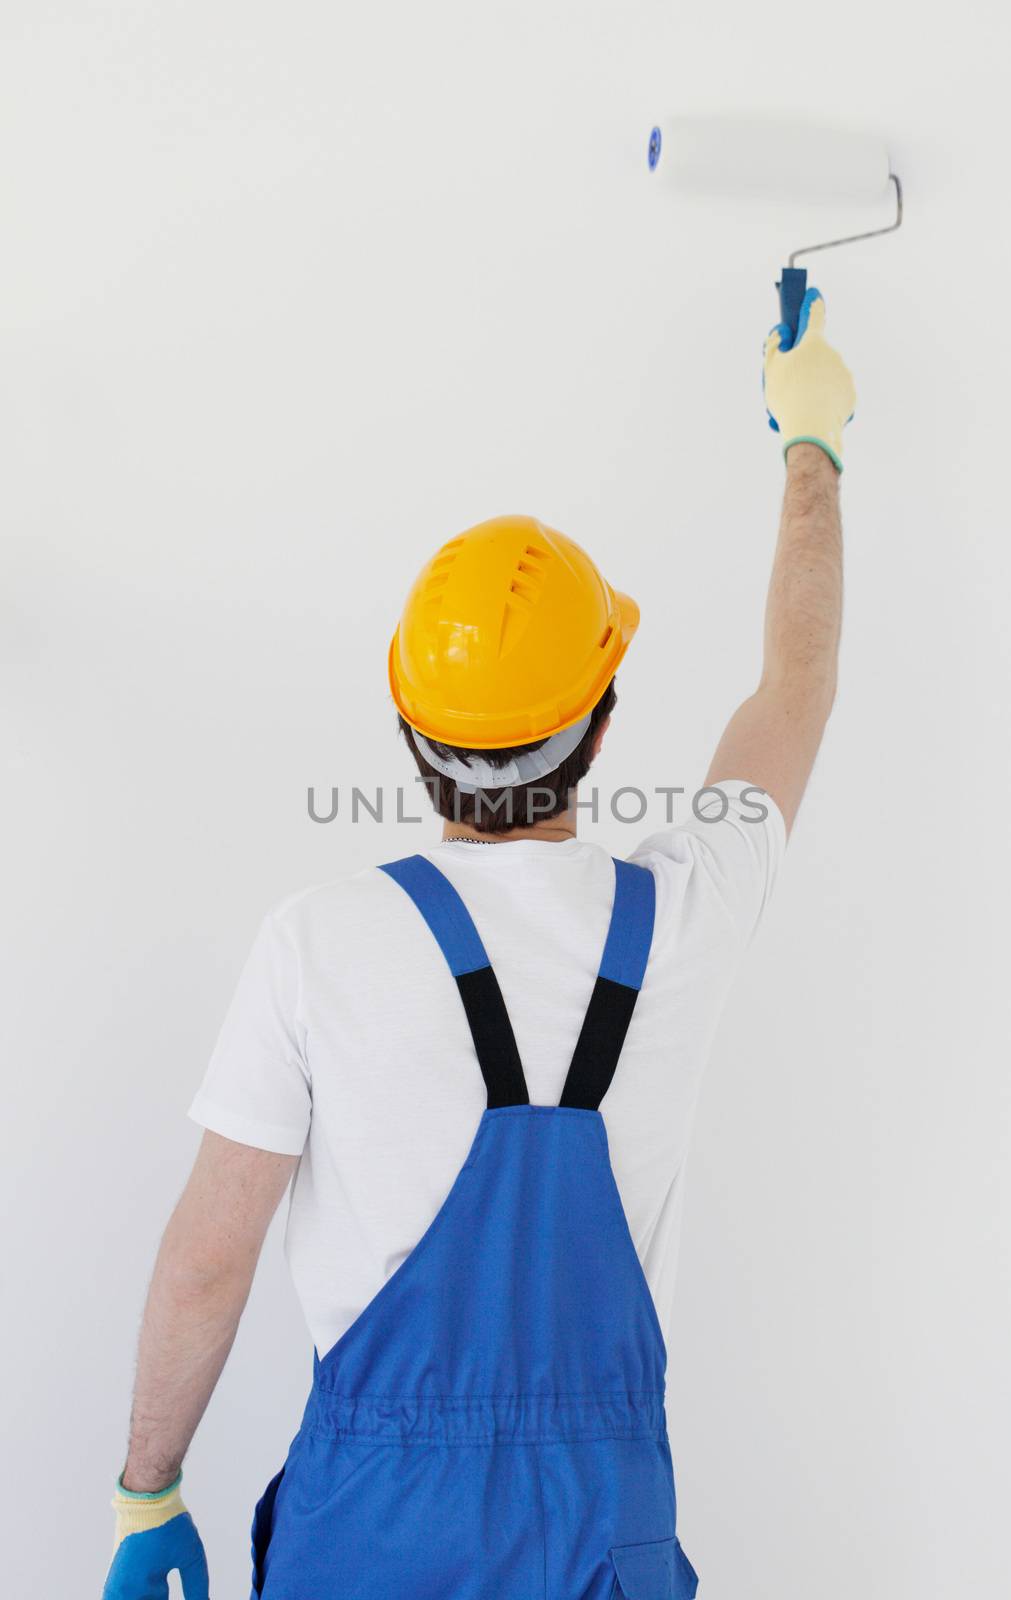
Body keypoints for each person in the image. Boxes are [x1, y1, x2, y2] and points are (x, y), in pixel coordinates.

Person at [102, 290, 854, 1600]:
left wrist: (148, 1490)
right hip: (595, 1540)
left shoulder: (317, 946)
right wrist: (813, 447)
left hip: (367, 1539)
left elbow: (209, 1255)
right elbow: (795, 687)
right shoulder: (683, 915)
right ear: (603, 727)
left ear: (405, 714)